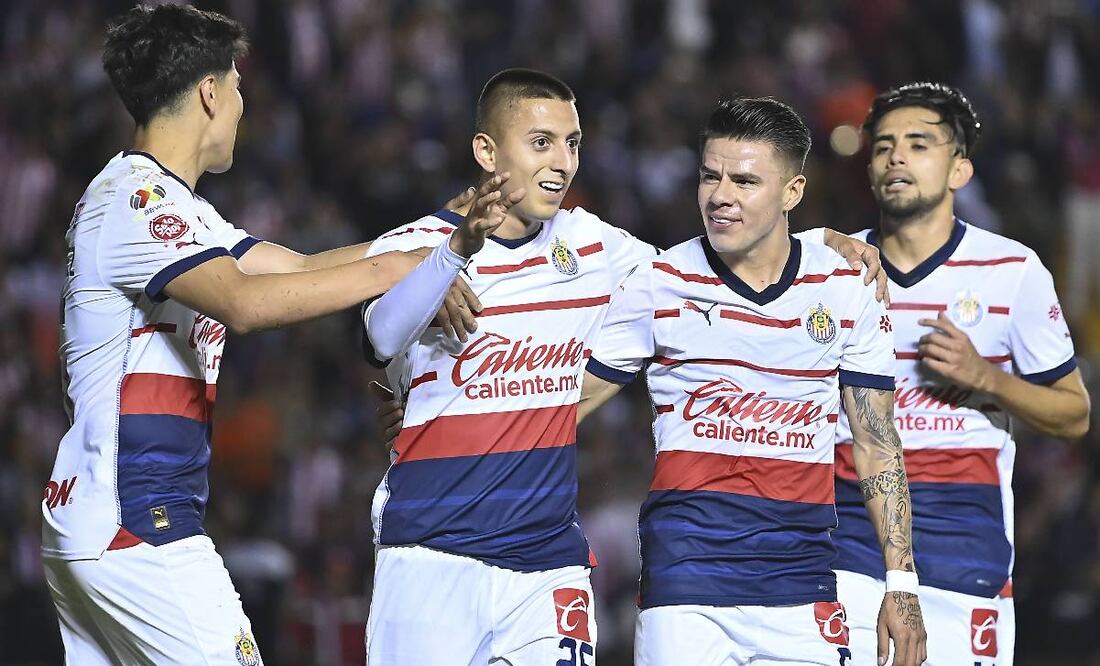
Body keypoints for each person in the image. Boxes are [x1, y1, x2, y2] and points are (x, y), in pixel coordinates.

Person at [361, 69, 887, 665]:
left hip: (546, 559)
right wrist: (445, 260)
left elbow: (708, 264)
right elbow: (381, 337)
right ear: (486, 150)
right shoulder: (414, 246)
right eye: (542, 143)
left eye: (573, 143)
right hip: (431, 549)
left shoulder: (596, 247)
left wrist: (814, 242)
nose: (562, 161)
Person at [40, 5, 480, 664]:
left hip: (98, 521)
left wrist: (441, 233)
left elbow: (302, 268)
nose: (245, 103)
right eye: (238, 85)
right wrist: (401, 268)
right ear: (209, 93)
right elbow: (245, 303)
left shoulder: (169, 206)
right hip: (136, 526)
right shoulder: (139, 203)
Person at [576, 96, 927, 666]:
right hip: (685, 588)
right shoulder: (659, 283)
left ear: (792, 193)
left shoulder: (846, 287)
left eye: (744, 181)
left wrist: (902, 584)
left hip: (802, 587)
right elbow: (569, 403)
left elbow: (877, 442)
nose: (720, 195)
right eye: (710, 176)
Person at [831, 82, 1091, 665]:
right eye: (883, 146)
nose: (896, 156)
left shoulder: (1013, 271)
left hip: (963, 549)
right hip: (848, 541)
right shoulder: (829, 269)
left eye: (919, 144)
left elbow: (1074, 415)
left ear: (960, 171)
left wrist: (989, 378)